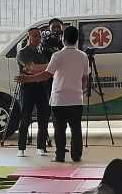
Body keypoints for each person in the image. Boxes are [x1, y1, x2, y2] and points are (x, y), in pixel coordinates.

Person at [17, 25, 88, 162]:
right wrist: (80, 90)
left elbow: (45, 75)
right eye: (35, 35)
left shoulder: (57, 56)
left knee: (59, 129)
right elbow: (85, 79)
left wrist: (27, 78)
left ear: (63, 39)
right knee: (76, 129)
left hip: (59, 99)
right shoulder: (83, 56)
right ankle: (76, 155)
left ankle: (59, 155)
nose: (39, 38)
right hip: (76, 99)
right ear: (76, 39)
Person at [13, 28, 52, 157]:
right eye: (34, 36)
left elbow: (44, 72)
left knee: (44, 117)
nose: (37, 38)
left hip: (41, 88)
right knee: (25, 117)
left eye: (39, 36)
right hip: (27, 88)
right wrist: (49, 66)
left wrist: (44, 68)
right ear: (28, 37)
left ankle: (41, 146)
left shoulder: (41, 53)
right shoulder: (22, 53)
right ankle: (21, 148)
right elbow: (31, 69)